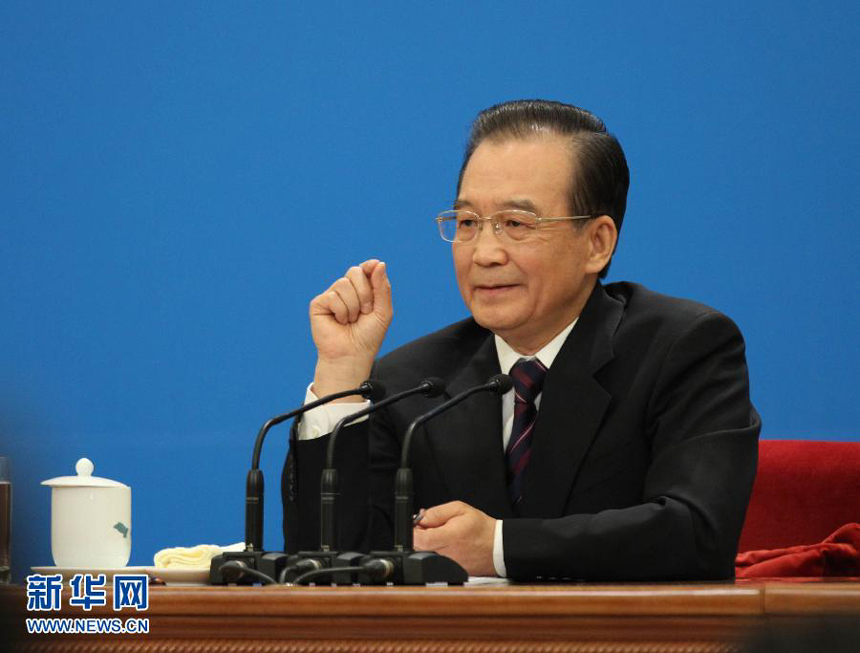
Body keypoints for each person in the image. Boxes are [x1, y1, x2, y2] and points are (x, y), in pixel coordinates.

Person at [281, 99, 761, 580]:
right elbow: (326, 563)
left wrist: (499, 546)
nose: (485, 253)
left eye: (516, 224)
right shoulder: (415, 382)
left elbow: (697, 535)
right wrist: (340, 377)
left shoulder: (683, 349)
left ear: (597, 243)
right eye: (468, 223)